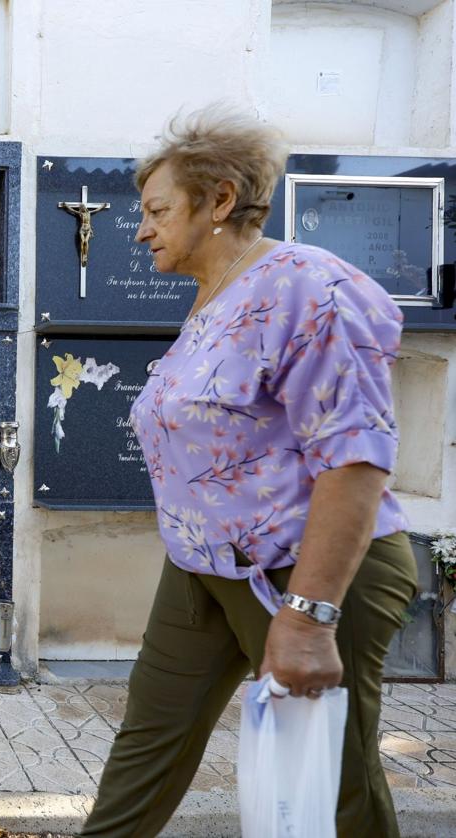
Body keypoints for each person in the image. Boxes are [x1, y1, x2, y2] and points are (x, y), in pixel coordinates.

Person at [80, 106, 417, 838]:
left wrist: (309, 615)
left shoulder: (306, 286)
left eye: (157, 211)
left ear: (220, 200)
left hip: (309, 569)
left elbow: (356, 454)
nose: (141, 231)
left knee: (332, 782)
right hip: (203, 565)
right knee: (146, 747)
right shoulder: (215, 298)